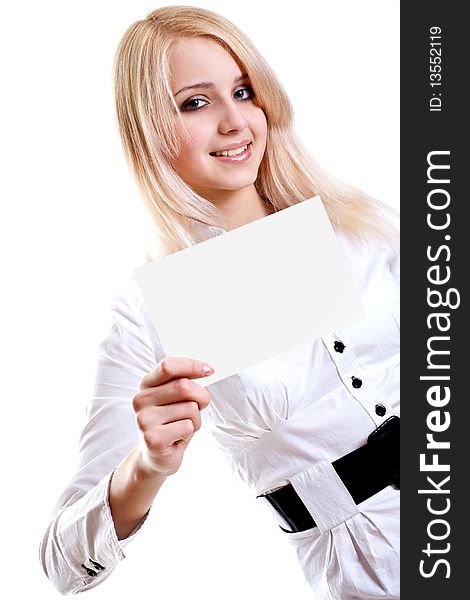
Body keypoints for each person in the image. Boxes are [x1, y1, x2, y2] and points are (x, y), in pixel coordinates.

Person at [39, 6, 400, 599]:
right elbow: (63, 566)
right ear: (147, 128)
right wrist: (147, 466)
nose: (235, 121)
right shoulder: (153, 308)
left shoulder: (360, 228)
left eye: (243, 91)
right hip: (377, 571)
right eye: (196, 103)